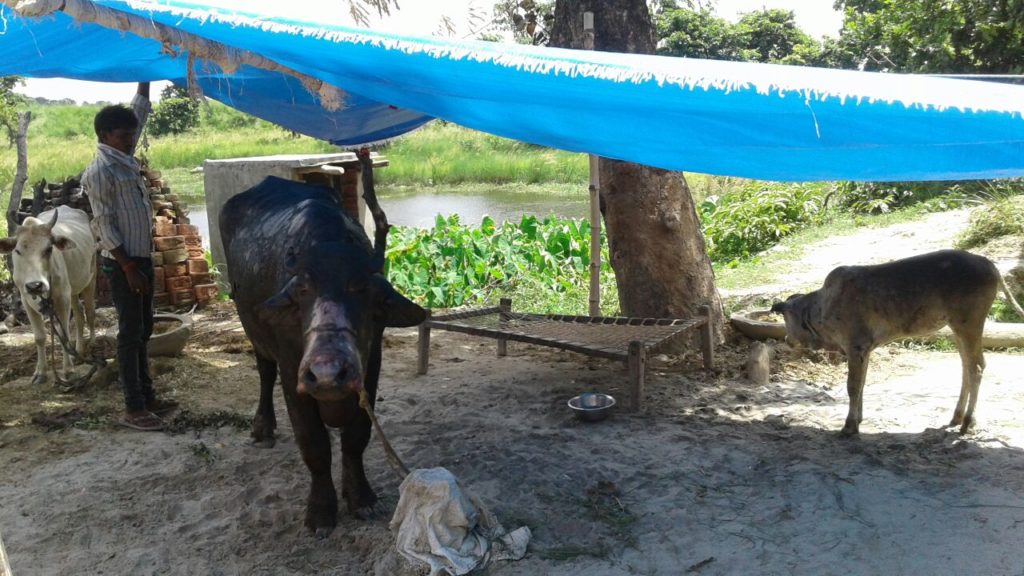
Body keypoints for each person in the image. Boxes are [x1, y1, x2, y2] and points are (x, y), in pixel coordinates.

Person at [83, 82, 177, 431]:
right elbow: (104, 227)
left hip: (140, 260)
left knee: (144, 329)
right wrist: (128, 268)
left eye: (131, 135)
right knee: (130, 333)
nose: (130, 139)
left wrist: (144, 78)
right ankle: (133, 408)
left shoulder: (122, 157)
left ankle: (149, 397)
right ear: (106, 135)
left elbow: (138, 112)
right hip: (124, 264)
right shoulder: (100, 172)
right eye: (124, 135)